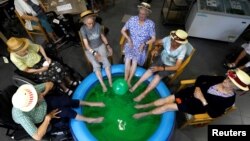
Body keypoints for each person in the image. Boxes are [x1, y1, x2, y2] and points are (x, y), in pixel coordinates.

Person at [133, 69, 250, 119]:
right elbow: (201, 77)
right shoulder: (219, 79)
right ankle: (145, 106)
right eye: (227, 78)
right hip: (189, 92)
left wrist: (202, 99)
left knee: (167, 106)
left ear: (236, 87)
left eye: (229, 81)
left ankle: (145, 114)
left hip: (195, 105)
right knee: (167, 99)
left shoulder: (229, 100)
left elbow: (214, 114)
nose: (225, 80)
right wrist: (198, 87)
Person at [12, 82, 105, 140]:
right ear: (31, 106)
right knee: (66, 112)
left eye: (37, 95)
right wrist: (48, 118)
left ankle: (90, 104)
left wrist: (44, 93)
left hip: (45, 104)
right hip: (43, 117)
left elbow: (50, 84)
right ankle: (89, 120)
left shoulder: (29, 92)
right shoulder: (22, 116)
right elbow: (37, 136)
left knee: (66, 100)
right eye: (37, 98)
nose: (39, 95)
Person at [130, 29, 188, 102]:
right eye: (173, 40)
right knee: (151, 69)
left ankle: (144, 94)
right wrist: (156, 48)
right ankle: (137, 84)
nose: (173, 42)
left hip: (170, 66)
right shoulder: (168, 39)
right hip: (161, 58)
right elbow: (156, 42)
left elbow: (176, 67)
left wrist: (160, 68)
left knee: (158, 76)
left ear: (181, 43)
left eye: (176, 42)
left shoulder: (183, 49)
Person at [7, 37, 76, 95]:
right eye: (23, 51)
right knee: (52, 74)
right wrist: (41, 70)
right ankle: (65, 89)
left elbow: (39, 47)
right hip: (34, 69)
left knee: (57, 65)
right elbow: (26, 70)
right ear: (16, 52)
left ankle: (69, 81)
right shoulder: (14, 58)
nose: (26, 51)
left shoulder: (26, 43)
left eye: (25, 48)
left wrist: (46, 57)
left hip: (41, 60)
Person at [121, 2, 156, 87]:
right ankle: (125, 78)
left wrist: (144, 44)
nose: (141, 15)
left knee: (134, 61)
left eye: (143, 14)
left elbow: (153, 38)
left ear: (147, 14)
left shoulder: (150, 24)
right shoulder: (132, 19)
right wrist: (128, 39)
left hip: (141, 45)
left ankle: (129, 80)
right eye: (140, 13)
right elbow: (122, 30)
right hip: (131, 43)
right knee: (128, 59)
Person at [79, 10, 113, 92]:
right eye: (88, 24)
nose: (91, 25)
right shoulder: (82, 29)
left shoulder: (98, 25)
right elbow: (86, 45)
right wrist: (94, 53)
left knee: (105, 61)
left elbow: (103, 37)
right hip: (90, 49)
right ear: (84, 22)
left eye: (92, 23)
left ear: (94, 20)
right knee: (95, 65)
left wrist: (108, 46)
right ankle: (103, 84)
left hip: (100, 45)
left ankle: (110, 81)